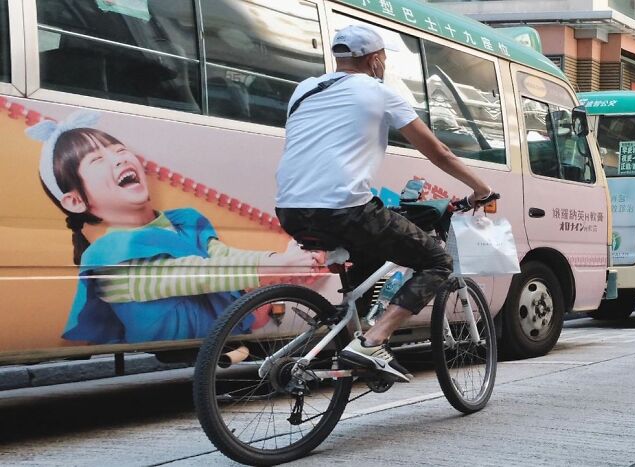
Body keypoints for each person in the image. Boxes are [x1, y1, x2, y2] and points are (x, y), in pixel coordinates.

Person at [275, 24, 494, 382]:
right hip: (343, 207)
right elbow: (438, 151)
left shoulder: (304, 89)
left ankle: (350, 338)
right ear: (375, 60)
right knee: (437, 260)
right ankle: (374, 341)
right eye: (384, 59)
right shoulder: (378, 91)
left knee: (370, 253)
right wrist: (481, 188)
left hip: (288, 207)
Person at [27, 111, 319, 344]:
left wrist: (278, 262)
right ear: (76, 201)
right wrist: (277, 266)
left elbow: (220, 256)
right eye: (98, 160)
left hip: (221, 336)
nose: (119, 159)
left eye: (119, 150)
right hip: (212, 338)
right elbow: (189, 275)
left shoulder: (183, 221)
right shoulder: (105, 257)